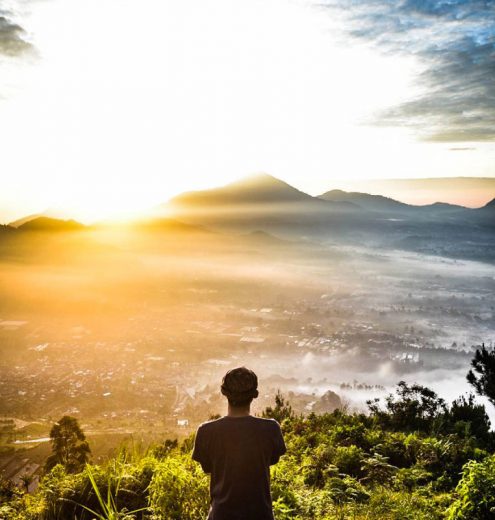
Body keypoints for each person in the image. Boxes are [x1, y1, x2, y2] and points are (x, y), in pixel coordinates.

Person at [192, 367, 286, 520]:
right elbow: (272, 460)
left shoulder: (206, 432)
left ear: (224, 393)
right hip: (260, 515)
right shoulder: (271, 429)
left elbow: (207, 468)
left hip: (221, 515)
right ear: (255, 394)